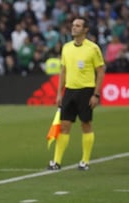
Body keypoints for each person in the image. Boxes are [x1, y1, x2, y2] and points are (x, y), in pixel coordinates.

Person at [48, 17, 105, 171]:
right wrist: (60, 93)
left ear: (85, 29)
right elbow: (63, 70)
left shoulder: (93, 48)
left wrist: (96, 94)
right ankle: (56, 161)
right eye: (73, 25)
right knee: (64, 126)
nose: (74, 28)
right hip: (69, 90)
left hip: (86, 90)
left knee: (86, 124)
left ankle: (85, 161)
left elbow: (100, 71)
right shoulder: (66, 47)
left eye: (78, 26)